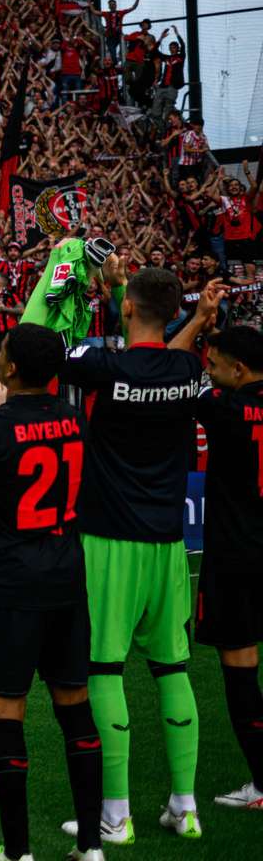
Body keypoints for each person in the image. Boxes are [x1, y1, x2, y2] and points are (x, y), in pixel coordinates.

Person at [0, 324, 104, 861]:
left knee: (7, 708)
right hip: (66, 579)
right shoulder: (74, 418)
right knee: (74, 705)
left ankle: (17, 852)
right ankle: (92, 845)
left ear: (8, 370)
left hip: (9, 585)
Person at [57, 265, 207, 844]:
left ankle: (115, 817)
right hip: (168, 543)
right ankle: (185, 807)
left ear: (125, 309)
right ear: (175, 315)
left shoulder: (104, 366)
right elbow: (158, 350)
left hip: (109, 540)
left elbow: (54, 347)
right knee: (172, 669)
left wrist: (109, 288)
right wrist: (139, 298)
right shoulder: (186, 369)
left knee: (103, 668)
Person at [176, 309, 263, 810]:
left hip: (236, 559)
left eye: (214, 364)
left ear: (239, 370)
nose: (209, 371)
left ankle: (262, 782)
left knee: (241, 668)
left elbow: (166, 368)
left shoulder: (224, 407)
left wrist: (195, 322)